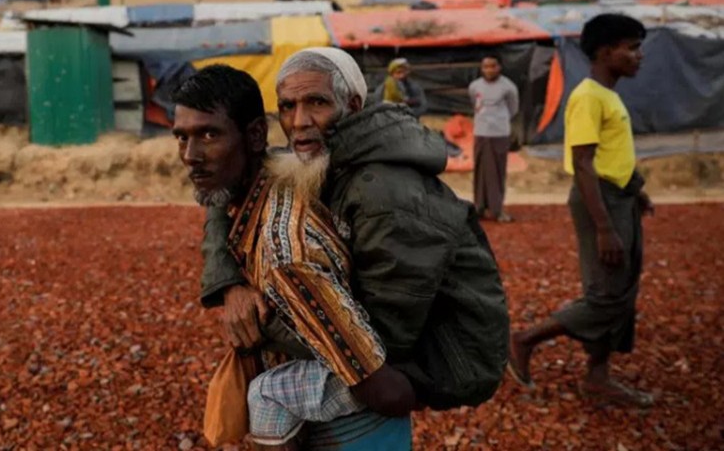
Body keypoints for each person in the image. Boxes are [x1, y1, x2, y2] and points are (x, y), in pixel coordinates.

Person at [201, 48, 509, 439]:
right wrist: (230, 287)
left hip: (439, 360)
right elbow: (228, 189)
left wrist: (261, 323)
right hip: (383, 347)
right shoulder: (325, 158)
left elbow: (380, 340)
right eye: (288, 106)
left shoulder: (384, 191)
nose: (299, 121)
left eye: (317, 103)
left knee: (266, 392)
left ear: (354, 104)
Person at [173, 65, 414, 450]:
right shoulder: (267, 184)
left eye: (208, 135)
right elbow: (218, 210)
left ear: (254, 135)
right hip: (326, 420)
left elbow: (385, 390)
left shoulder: (285, 251)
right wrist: (230, 285)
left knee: (267, 393)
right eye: (181, 138)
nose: (190, 155)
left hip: (350, 435)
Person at [508, 14, 654, 408]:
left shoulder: (609, 94)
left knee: (622, 290)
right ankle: (524, 340)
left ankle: (598, 376)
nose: (639, 56)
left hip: (619, 197)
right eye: (632, 47)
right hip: (599, 202)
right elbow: (584, 163)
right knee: (606, 294)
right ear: (606, 52)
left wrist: (636, 192)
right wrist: (605, 228)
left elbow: (613, 155)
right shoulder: (588, 97)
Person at [469, 55, 519, 222]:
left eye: (493, 66)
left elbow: (513, 108)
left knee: (497, 171)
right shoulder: (475, 86)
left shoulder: (508, 87)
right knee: (480, 170)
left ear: (499, 67)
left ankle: (497, 209)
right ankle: (479, 207)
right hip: (480, 132)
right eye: (486, 67)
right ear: (481, 68)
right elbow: (474, 103)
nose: (489, 70)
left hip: (499, 133)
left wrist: (499, 121)